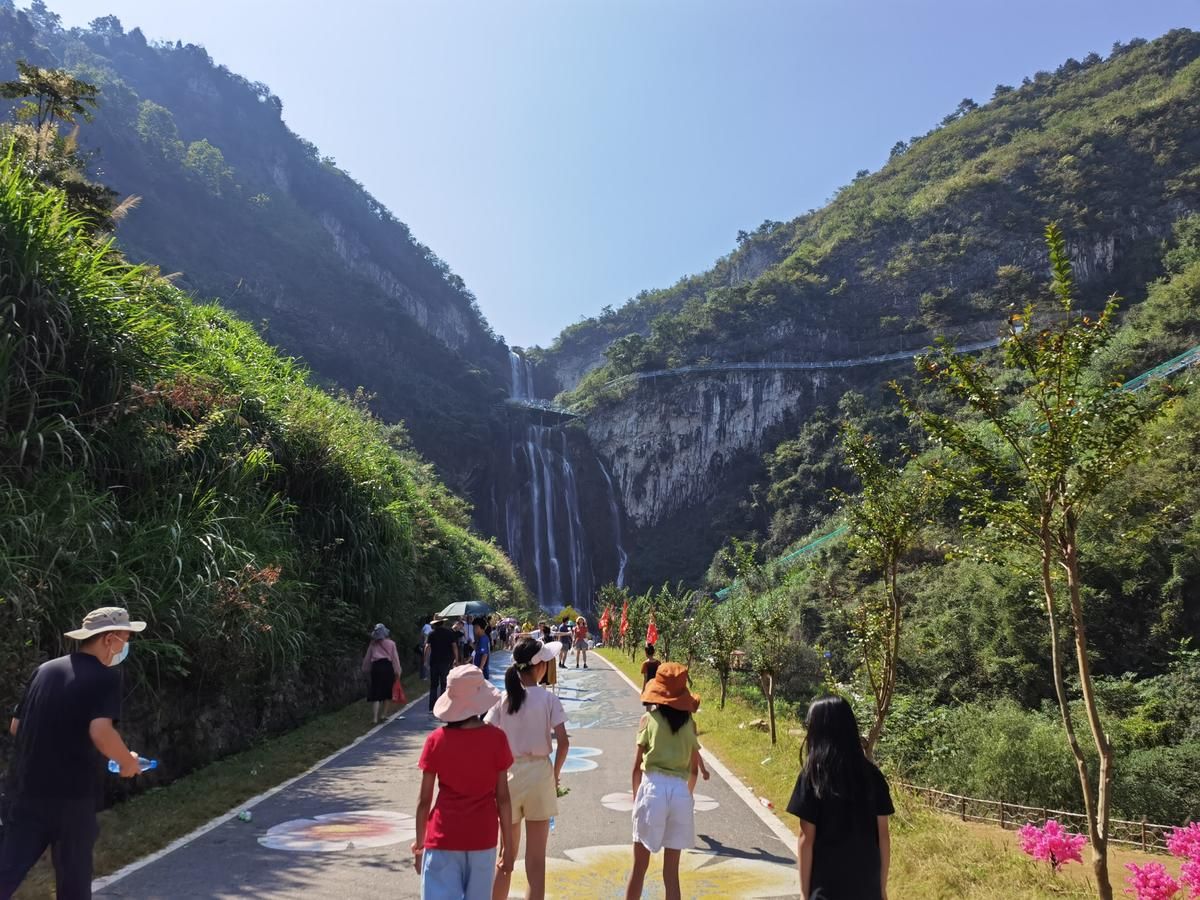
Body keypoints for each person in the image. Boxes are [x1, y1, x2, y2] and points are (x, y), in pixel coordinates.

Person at [0, 607, 147, 900]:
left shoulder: (45, 670)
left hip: (24, 791)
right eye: (126, 638)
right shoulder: (106, 678)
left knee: (6, 873)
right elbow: (101, 732)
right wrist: (126, 761)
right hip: (71, 800)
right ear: (109, 639)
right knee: (74, 883)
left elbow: (17, 726)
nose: (125, 645)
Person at [412, 666, 515, 900]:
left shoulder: (436, 740)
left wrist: (420, 845)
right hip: (483, 836)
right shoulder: (497, 739)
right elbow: (504, 798)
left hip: (443, 836)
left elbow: (424, 801)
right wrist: (507, 845)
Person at [485, 638, 570, 900]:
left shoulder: (504, 699)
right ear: (540, 666)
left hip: (508, 778)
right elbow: (564, 743)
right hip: (540, 776)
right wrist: (555, 776)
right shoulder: (548, 699)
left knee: (506, 856)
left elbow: (488, 737)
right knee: (536, 861)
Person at [788, 695, 894, 900]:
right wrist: (881, 889)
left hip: (826, 890)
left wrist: (803, 893)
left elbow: (805, 840)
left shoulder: (813, 776)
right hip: (866, 890)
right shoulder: (872, 775)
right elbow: (883, 837)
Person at [625, 662, 704, 900]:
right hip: (680, 793)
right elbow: (693, 771)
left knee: (639, 867)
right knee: (672, 873)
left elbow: (636, 767)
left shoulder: (648, 720)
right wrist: (686, 795)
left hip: (652, 789)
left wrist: (636, 795)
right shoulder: (690, 725)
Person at [363, 623, 403, 724]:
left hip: (376, 667)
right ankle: (383, 715)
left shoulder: (373, 644)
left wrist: (366, 669)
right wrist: (398, 671)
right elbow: (395, 659)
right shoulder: (391, 643)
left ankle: (375, 718)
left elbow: (368, 657)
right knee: (387, 692)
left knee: (376, 692)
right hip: (387, 667)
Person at [424, 618, 460, 713]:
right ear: (443, 623)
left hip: (434, 662)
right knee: (444, 684)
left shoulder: (432, 634)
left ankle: (432, 707)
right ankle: (444, 706)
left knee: (434, 685)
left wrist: (425, 661)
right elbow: (454, 646)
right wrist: (456, 659)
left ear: (435, 624)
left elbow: (427, 647)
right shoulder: (449, 633)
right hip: (446, 662)